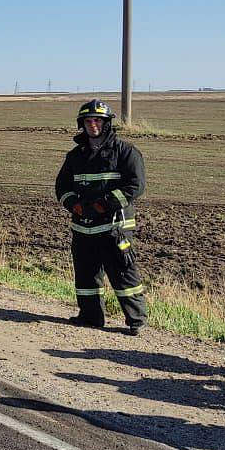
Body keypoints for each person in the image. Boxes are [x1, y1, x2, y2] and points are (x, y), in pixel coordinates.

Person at [54, 99, 148, 336]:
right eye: (88, 121)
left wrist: (103, 204)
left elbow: (135, 185)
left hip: (114, 228)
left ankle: (136, 320)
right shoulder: (75, 156)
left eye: (98, 120)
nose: (93, 125)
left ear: (106, 124)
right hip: (83, 229)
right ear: (82, 124)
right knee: (86, 276)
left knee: (123, 273)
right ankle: (90, 317)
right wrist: (74, 205)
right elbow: (61, 186)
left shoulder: (125, 152)